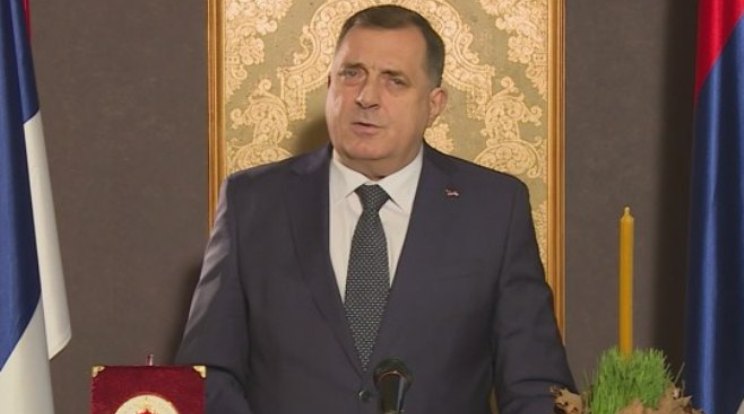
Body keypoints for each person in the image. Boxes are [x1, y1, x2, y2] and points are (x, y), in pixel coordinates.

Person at [176, 4, 574, 413]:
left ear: (434, 104)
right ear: (329, 84)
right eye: (352, 74)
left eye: (394, 81)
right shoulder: (253, 202)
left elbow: (536, 387)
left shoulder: (494, 208)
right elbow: (207, 376)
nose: (366, 97)